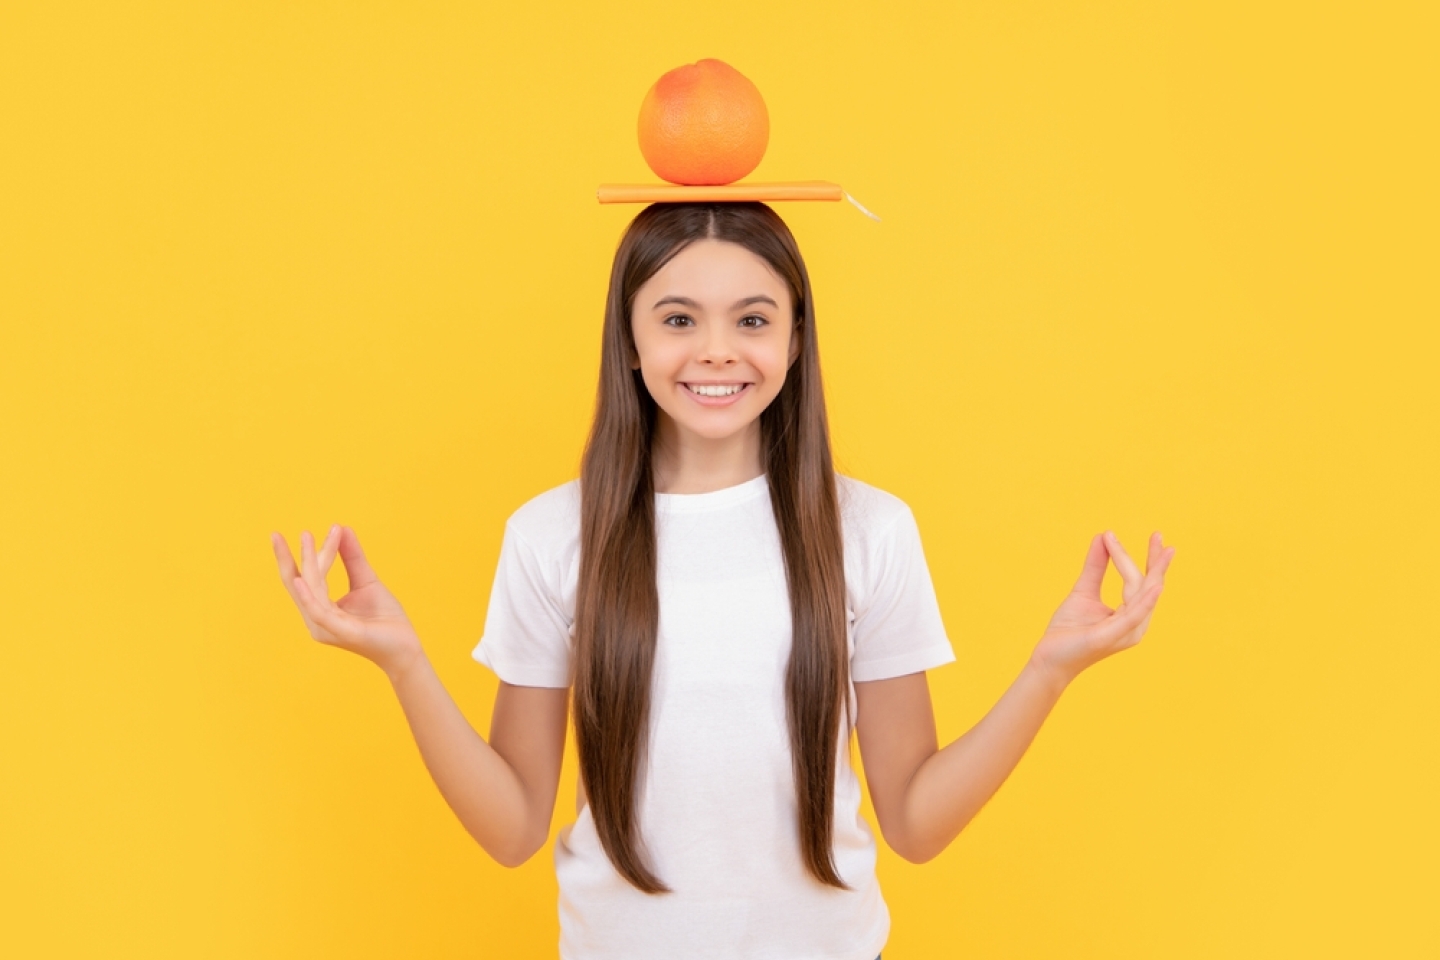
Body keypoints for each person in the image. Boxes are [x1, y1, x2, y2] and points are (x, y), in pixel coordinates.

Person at [271, 201, 1175, 960]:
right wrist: (403, 663)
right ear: (629, 340)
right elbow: (512, 830)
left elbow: (915, 822)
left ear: (795, 339)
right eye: (677, 319)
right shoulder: (551, 536)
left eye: (751, 319)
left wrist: (1050, 670)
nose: (716, 351)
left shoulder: (870, 530)